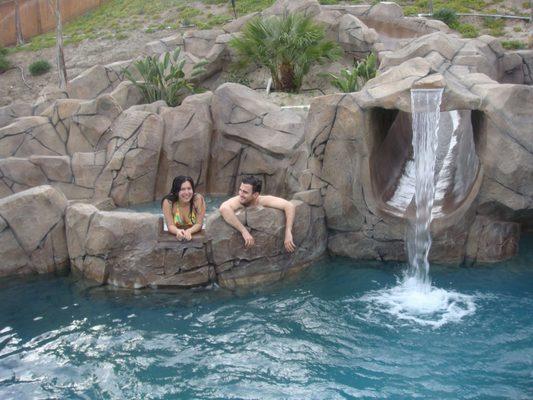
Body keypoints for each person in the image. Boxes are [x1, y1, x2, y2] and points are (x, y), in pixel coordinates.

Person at [219, 176, 296, 252]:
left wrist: (288, 232)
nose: (241, 194)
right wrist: (244, 231)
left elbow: (289, 206)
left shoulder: (262, 200)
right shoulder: (238, 201)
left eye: (245, 192)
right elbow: (224, 209)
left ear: (255, 195)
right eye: (240, 190)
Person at [162, 176, 206, 241]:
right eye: (182, 189)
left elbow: (199, 224)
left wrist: (190, 231)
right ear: (176, 191)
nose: (187, 192)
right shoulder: (168, 202)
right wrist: (177, 231)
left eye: (189, 188)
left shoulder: (197, 199)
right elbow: (170, 225)